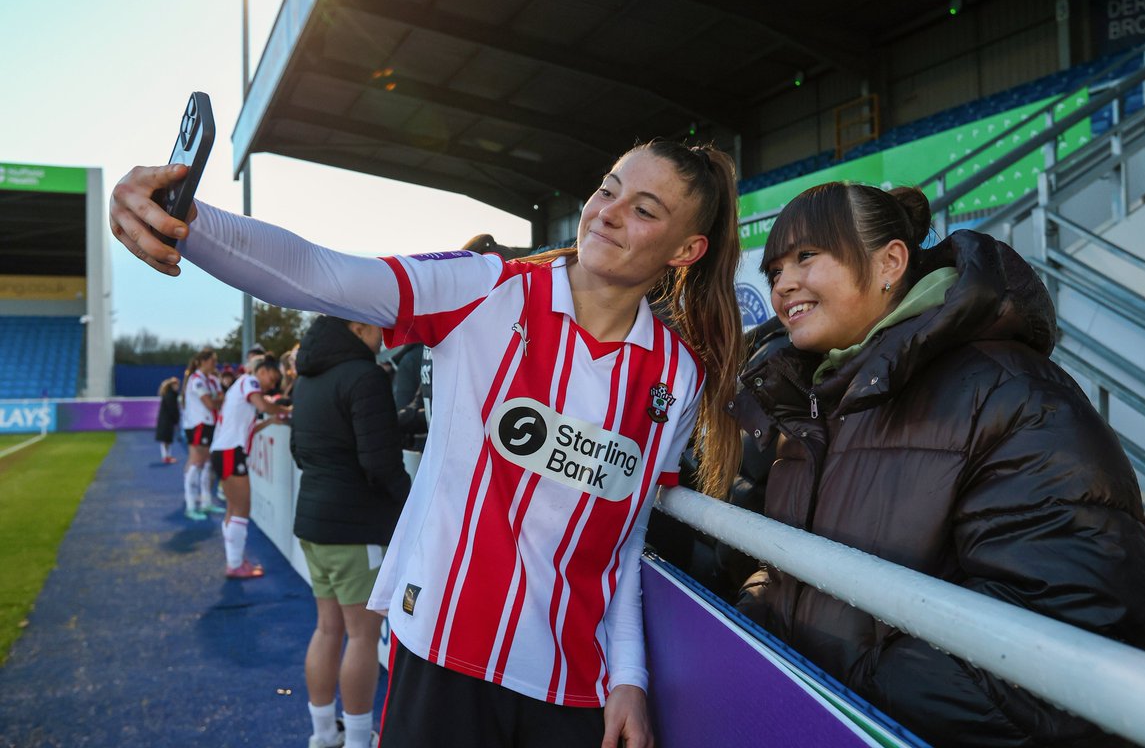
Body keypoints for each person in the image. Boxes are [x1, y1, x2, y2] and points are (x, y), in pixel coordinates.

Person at [109, 138, 744, 748]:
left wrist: (628, 677)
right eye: (607, 190)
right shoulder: (487, 289)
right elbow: (321, 273)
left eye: (643, 209)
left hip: (574, 686)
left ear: (686, 250)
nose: (607, 213)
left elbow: (624, 545)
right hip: (444, 656)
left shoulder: (677, 375)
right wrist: (187, 219)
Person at [729, 181, 1145, 747]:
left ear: (889, 261)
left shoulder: (1012, 394)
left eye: (806, 257)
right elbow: (788, 577)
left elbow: (1061, 659)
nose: (784, 284)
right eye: (774, 270)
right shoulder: (810, 401)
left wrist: (835, 690)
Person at [291, 315, 411, 748]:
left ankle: (324, 735)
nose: (385, 336)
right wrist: (415, 507)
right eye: (378, 326)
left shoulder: (306, 378)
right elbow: (380, 464)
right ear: (357, 327)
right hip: (353, 527)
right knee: (360, 635)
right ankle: (360, 740)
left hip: (313, 523)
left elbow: (299, 451)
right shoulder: (364, 376)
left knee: (328, 629)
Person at [209, 354, 291, 578]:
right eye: (272, 379)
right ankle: (234, 565)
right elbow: (262, 404)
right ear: (262, 371)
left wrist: (270, 421)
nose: (271, 385)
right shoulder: (249, 381)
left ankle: (234, 560)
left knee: (233, 508)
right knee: (241, 508)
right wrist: (287, 410)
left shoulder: (242, 388)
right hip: (229, 452)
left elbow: (250, 429)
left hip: (225, 451)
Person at [179, 348, 224, 520]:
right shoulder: (196, 380)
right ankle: (191, 505)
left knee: (207, 463)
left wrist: (217, 399)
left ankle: (205, 502)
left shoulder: (212, 380)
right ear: (202, 362)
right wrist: (217, 400)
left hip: (211, 424)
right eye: (212, 361)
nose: (215, 364)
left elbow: (220, 398)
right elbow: (211, 403)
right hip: (199, 424)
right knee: (197, 462)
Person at [154, 376, 181, 464]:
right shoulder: (169, 395)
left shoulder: (172, 394)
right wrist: (176, 419)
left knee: (168, 439)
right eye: (175, 384)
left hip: (167, 420)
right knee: (165, 439)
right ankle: (165, 456)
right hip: (166, 421)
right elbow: (172, 409)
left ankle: (167, 456)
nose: (177, 386)